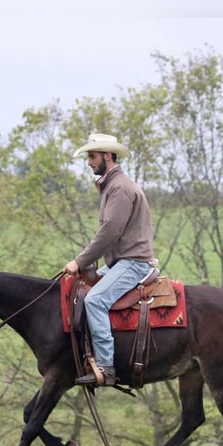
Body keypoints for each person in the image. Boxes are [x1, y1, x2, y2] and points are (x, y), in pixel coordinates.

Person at [63, 133, 155, 386]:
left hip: (133, 263)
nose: (89, 162)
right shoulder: (112, 186)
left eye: (92, 156)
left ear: (107, 155)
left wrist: (79, 261)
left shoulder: (120, 188)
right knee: (80, 291)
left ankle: (105, 368)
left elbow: (110, 232)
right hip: (121, 262)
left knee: (94, 300)